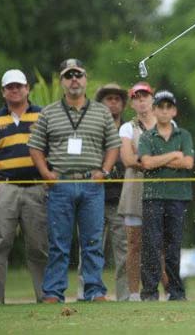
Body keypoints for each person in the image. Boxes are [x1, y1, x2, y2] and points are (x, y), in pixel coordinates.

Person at [28, 59, 121, 303]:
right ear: (62, 82)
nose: (74, 80)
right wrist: (45, 173)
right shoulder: (48, 112)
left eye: (78, 75)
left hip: (92, 184)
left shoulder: (101, 112)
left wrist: (105, 170)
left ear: (85, 79)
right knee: (59, 243)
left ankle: (94, 290)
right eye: (69, 76)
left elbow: (113, 145)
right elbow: (35, 147)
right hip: (61, 184)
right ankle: (54, 291)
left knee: (92, 242)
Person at [0, 69, 47, 304]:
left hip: (36, 187)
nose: (15, 90)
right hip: (5, 188)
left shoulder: (42, 115)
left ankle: (45, 297)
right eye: (10, 87)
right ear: (3, 92)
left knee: (39, 246)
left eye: (19, 86)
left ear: (27, 88)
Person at [138, 90, 194, 301]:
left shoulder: (184, 135)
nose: (164, 110)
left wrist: (157, 160)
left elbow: (188, 163)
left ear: (174, 111)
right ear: (154, 110)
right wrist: (173, 155)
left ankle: (176, 292)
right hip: (153, 196)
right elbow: (146, 163)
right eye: (160, 106)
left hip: (178, 196)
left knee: (173, 246)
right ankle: (150, 292)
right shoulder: (146, 136)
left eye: (168, 106)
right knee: (151, 244)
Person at [75, 83, 129, 301]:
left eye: (117, 98)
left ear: (123, 104)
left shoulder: (129, 129)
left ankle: (124, 296)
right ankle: (85, 291)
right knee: (89, 246)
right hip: (93, 196)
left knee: (124, 252)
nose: (113, 102)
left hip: (121, 200)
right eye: (109, 98)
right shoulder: (90, 128)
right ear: (101, 103)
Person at [119, 82, 156, 301]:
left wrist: (141, 158)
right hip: (134, 190)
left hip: (159, 189)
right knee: (133, 244)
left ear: (152, 99)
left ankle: (167, 290)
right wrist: (153, 160)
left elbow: (175, 155)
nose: (141, 101)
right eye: (136, 97)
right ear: (132, 102)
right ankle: (134, 293)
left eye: (145, 96)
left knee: (159, 243)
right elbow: (127, 159)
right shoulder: (126, 127)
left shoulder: (166, 123)